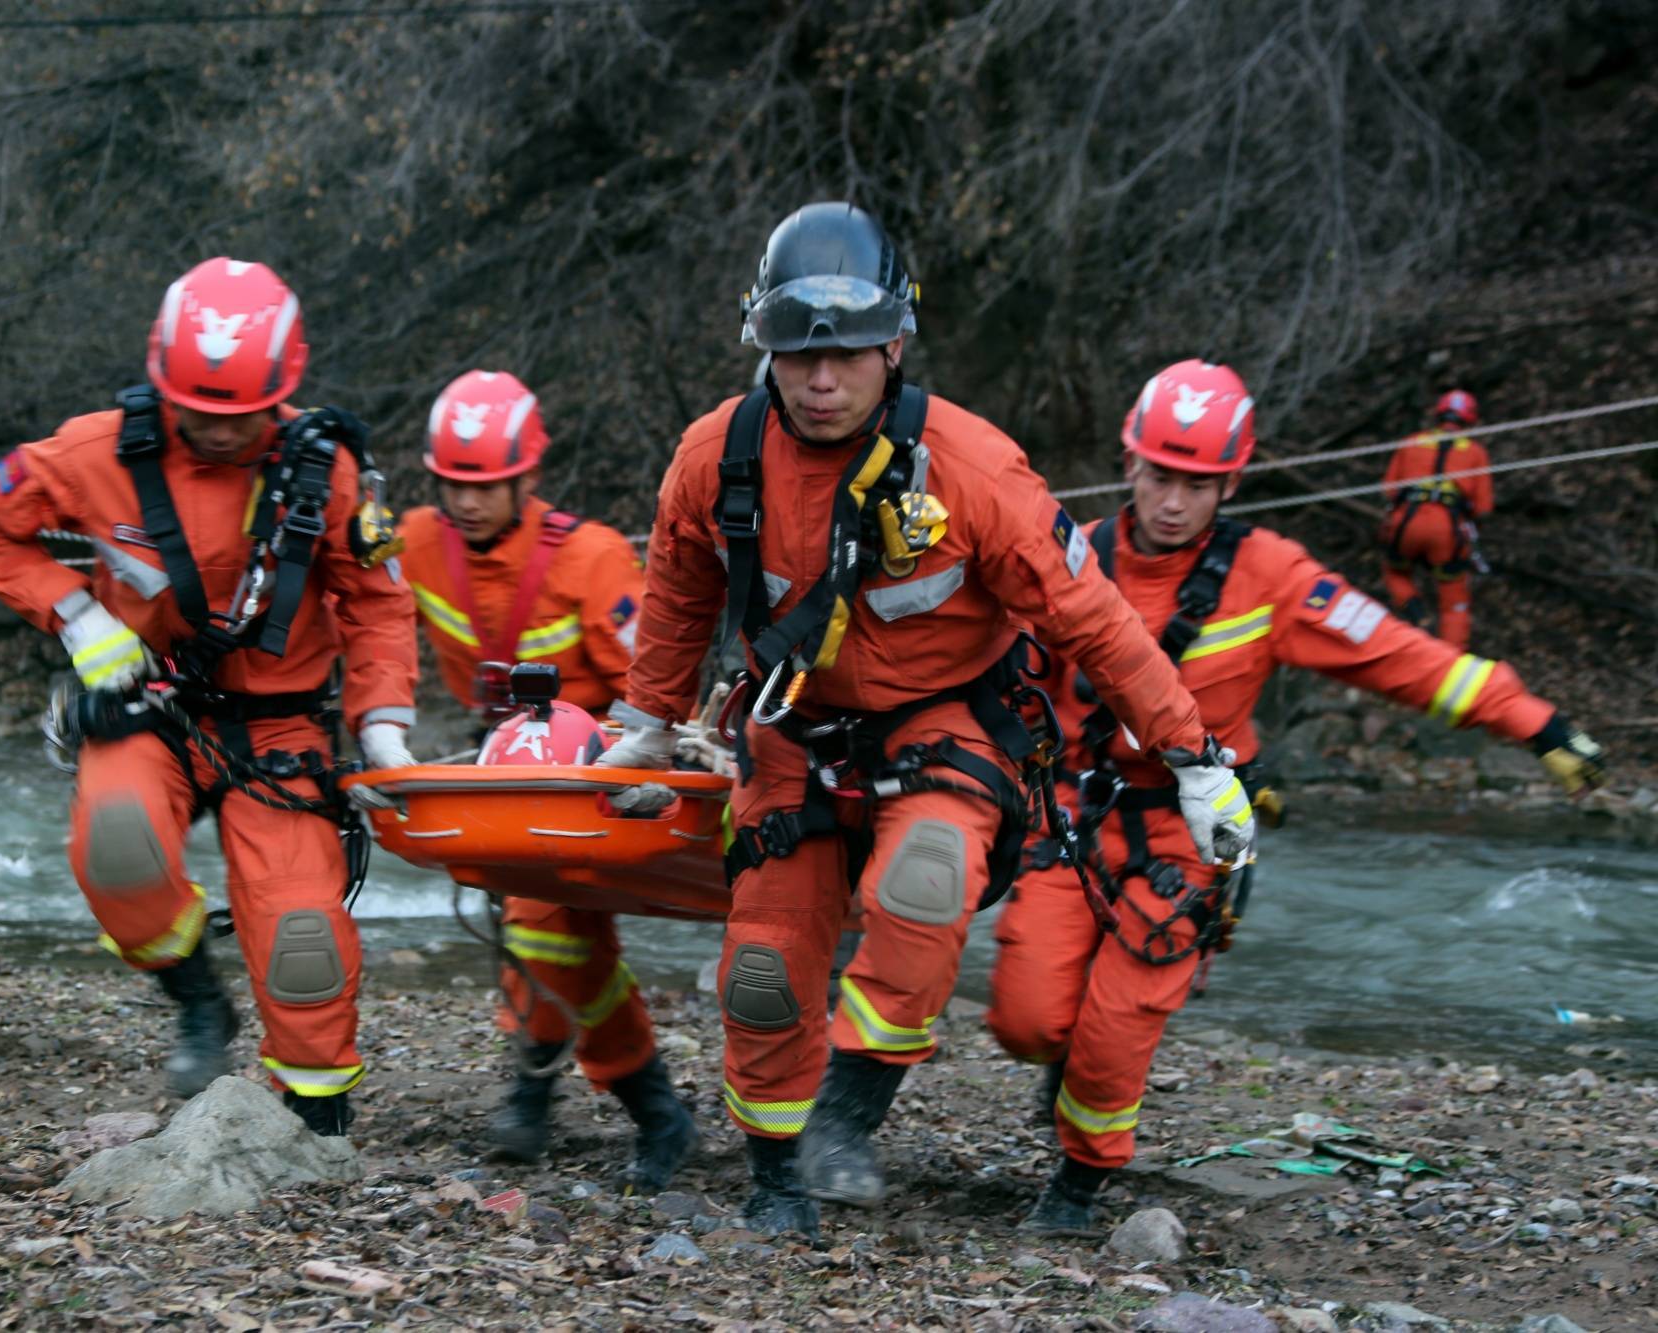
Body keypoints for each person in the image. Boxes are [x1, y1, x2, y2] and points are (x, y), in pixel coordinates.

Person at [597, 202, 1253, 1240]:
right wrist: (642, 724)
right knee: (762, 967)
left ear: (893, 344)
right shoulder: (712, 457)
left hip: (945, 720)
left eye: (847, 356)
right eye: (796, 356)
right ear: (761, 345)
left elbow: (1094, 622)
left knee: (925, 878)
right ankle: (776, 1178)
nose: (820, 382)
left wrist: (1192, 758)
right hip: (791, 726)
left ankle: (847, 1117)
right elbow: (677, 591)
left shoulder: (974, 470)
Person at [988, 360, 1606, 1235]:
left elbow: (1400, 653)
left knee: (1116, 1030)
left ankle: (1079, 1185)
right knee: (1025, 1017)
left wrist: (1537, 723)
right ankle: (1067, 1061)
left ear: (1231, 481)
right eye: (1160, 476)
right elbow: (1002, 676)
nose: (1172, 502)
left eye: (1197, 484)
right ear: (1130, 465)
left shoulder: (1272, 575)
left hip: (1189, 834)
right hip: (1073, 816)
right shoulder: (1071, 556)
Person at [0, 257, 420, 1139]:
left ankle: (317, 1119)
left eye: (235, 418)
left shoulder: (326, 473)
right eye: (196, 412)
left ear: (280, 394)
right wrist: (79, 618)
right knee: (119, 848)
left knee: (303, 937)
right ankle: (199, 997)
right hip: (151, 710)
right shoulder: (94, 452)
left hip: (278, 723)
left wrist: (384, 727)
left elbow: (380, 602)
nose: (213, 431)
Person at [396, 369, 698, 1190]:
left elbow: (661, 682)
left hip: (597, 775)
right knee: (546, 943)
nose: (466, 501)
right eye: (454, 483)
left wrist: (640, 765)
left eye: (486, 484)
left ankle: (610, 1102)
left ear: (528, 477)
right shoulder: (416, 542)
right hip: (502, 772)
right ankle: (586, 1096)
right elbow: (358, 589)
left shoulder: (592, 559)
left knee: (543, 935)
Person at [1380, 389, 1494, 645]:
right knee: (1453, 597)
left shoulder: (1411, 442)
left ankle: (1418, 614)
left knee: (1395, 571)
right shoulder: (1475, 452)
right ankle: (1451, 660)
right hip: (1447, 529)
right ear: (1470, 420)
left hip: (1406, 523)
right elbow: (1483, 507)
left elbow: (1389, 489)